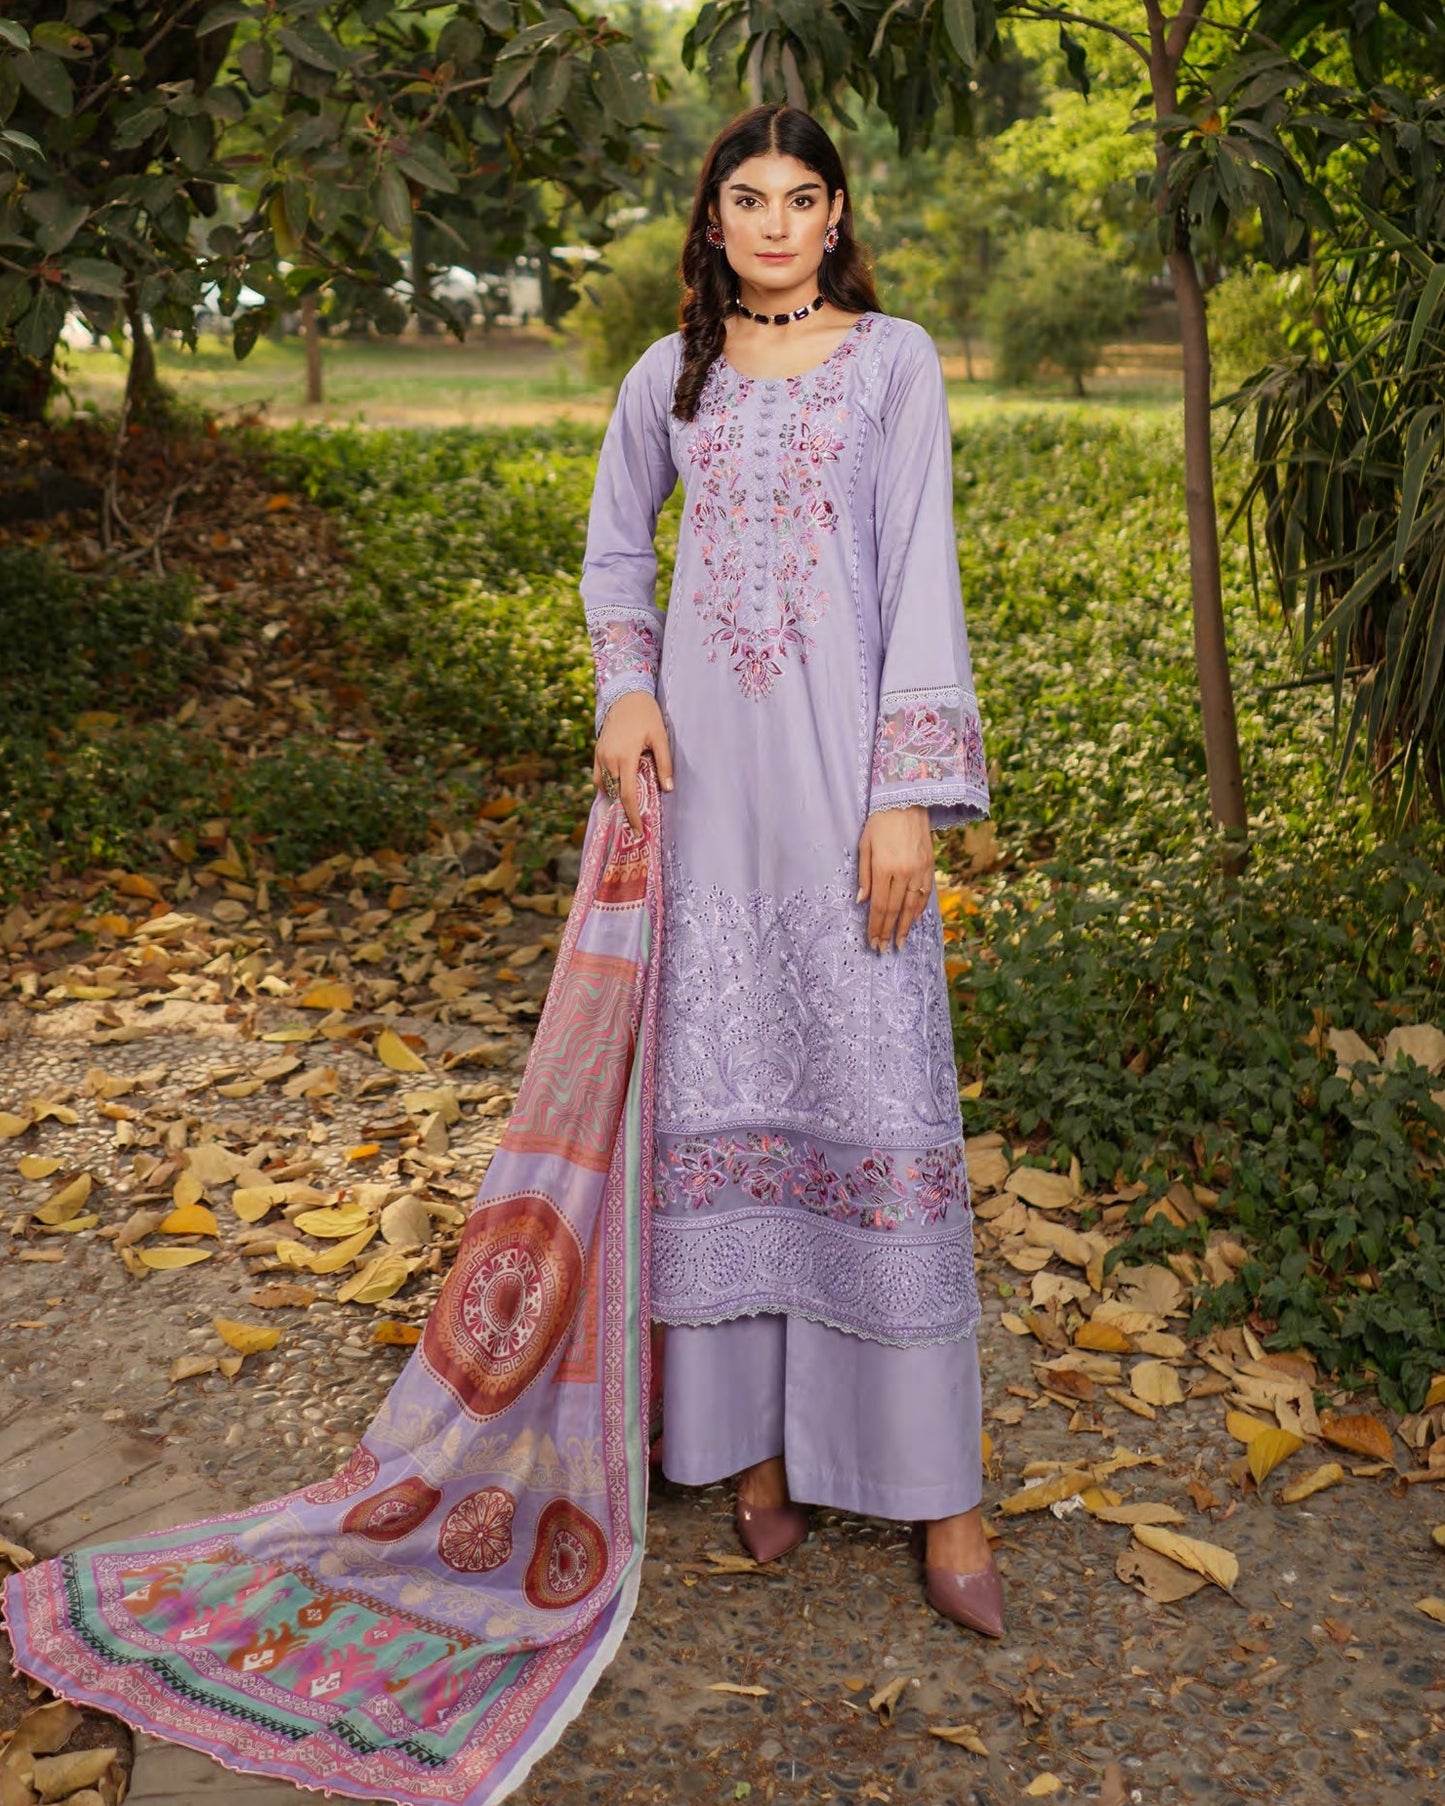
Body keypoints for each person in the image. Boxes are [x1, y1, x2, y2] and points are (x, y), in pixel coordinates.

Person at [582, 102, 1003, 1637]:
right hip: (706, 799)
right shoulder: (669, 373)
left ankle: (939, 1488)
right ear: (713, 221)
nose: (774, 222)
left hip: (843, 791)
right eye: (747, 198)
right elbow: (614, 549)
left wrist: (906, 796)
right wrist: (627, 687)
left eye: (801, 196)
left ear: (836, 216)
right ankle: (747, 1444)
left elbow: (922, 572)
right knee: (730, 1092)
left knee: (874, 1090)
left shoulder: (892, 363)